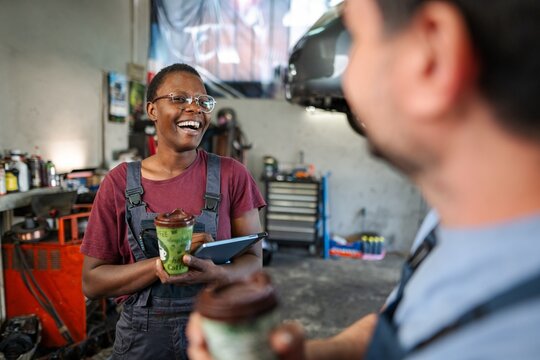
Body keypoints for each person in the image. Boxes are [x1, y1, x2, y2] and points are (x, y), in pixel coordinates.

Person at [187, 0, 540, 358]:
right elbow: (407, 324)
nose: (348, 80)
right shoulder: (459, 217)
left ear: (432, 56)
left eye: (357, 37)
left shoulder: (512, 337)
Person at [81, 63, 266, 360]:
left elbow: (254, 261)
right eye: (179, 99)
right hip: (143, 341)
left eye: (202, 102)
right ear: (152, 110)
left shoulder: (233, 175)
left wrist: (217, 274)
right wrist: (160, 265)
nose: (194, 109)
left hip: (215, 334)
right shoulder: (118, 182)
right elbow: (92, 282)